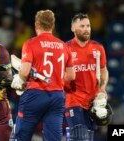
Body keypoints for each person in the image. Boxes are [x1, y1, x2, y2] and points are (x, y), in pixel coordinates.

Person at [10, 9, 75, 141]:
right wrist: (55, 78)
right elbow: (71, 76)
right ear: (53, 25)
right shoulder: (64, 46)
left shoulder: (30, 43)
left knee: (21, 137)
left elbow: (24, 71)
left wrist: (19, 79)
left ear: (36, 25)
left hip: (35, 94)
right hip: (57, 96)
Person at [64, 13, 109, 140]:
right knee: (80, 136)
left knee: (87, 137)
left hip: (93, 103)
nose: (86, 29)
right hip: (73, 100)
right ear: (73, 28)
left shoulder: (98, 48)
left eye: (88, 26)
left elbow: (104, 70)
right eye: (82, 26)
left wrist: (103, 88)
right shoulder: (65, 49)